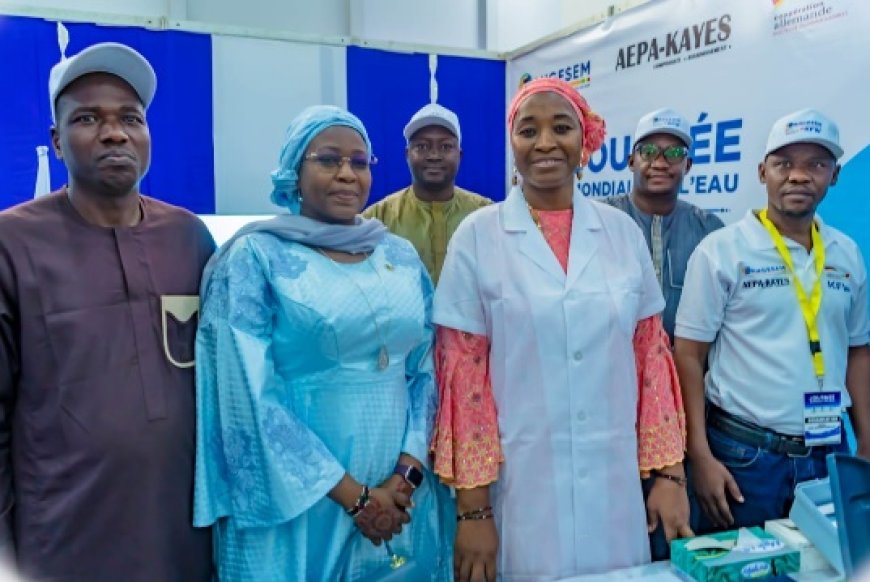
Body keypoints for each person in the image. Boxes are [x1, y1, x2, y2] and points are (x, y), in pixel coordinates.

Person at [431, 77, 691, 582]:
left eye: (561, 128)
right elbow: (464, 380)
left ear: (584, 142)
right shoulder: (479, 236)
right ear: (513, 144)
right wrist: (474, 510)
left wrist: (668, 474)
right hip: (522, 488)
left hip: (612, 486)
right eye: (529, 130)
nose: (545, 142)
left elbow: (651, 361)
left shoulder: (620, 234)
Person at [194, 105, 453, 581]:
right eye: (328, 159)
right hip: (299, 504)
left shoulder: (397, 254)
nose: (346, 174)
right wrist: (353, 496)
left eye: (359, 162)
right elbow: (246, 396)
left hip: (400, 499)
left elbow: (427, 369)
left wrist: (406, 476)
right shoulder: (255, 258)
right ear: (294, 169)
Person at [0, 43, 214, 580]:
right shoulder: (12, 244)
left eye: (130, 118)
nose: (114, 132)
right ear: (56, 140)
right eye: (88, 118)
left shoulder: (189, 238)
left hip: (184, 541)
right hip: (61, 543)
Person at [675, 109, 870, 533]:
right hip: (744, 455)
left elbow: (858, 352)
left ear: (834, 175)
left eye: (816, 165)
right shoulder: (723, 250)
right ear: (763, 172)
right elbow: (688, 357)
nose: (799, 176)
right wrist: (700, 456)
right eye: (784, 164)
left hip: (827, 451)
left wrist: (866, 441)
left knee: (824, 567)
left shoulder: (847, 254)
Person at [603, 108, 723, 342]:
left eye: (674, 153)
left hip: (684, 369)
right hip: (615, 366)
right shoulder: (602, 220)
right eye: (648, 152)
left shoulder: (709, 229)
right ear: (631, 161)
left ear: (687, 165)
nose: (659, 163)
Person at [363, 103, 491, 285]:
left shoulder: (485, 214)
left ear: (460, 155)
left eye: (446, 147)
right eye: (422, 146)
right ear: (407, 154)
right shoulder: (377, 219)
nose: (434, 155)